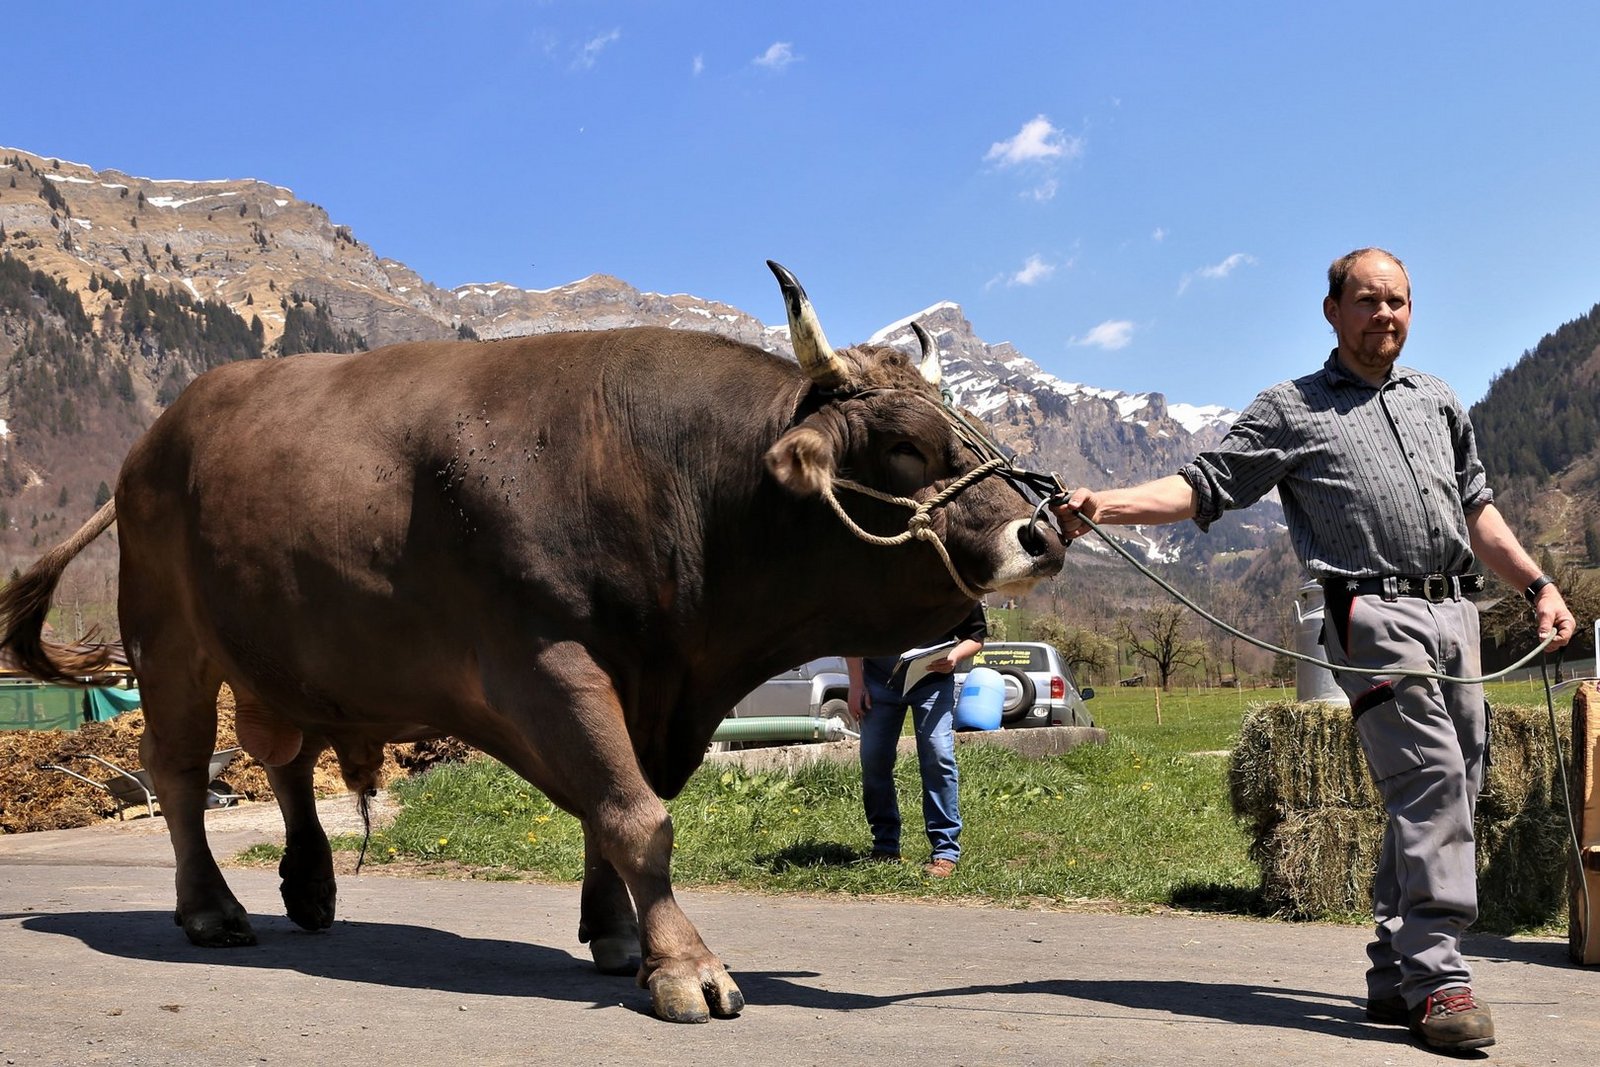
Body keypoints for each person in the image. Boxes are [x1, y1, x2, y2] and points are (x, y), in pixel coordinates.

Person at [1055, 247, 1576, 1054]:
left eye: (1397, 300)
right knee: (1433, 780)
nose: (1385, 314)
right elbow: (1204, 484)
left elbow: (1477, 512)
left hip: (1457, 611)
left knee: (1457, 785)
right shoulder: (1292, 408)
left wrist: (1538, 583)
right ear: (1332, 311)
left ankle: (1393, 966)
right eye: (1367, 300)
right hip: (1372, 614)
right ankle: (1439, 979)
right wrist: (1106, 505)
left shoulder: (1438, 400)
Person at [847, 603, 987, 877]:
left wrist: (953, 657)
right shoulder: (870, 584)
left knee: (938, 754)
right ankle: (885, 846)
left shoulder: (953, 586)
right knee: (874, 759)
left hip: (933, 682)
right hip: (878, 684)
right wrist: (856, 684)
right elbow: (851, 632)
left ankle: (945, 851)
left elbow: (975, 637)